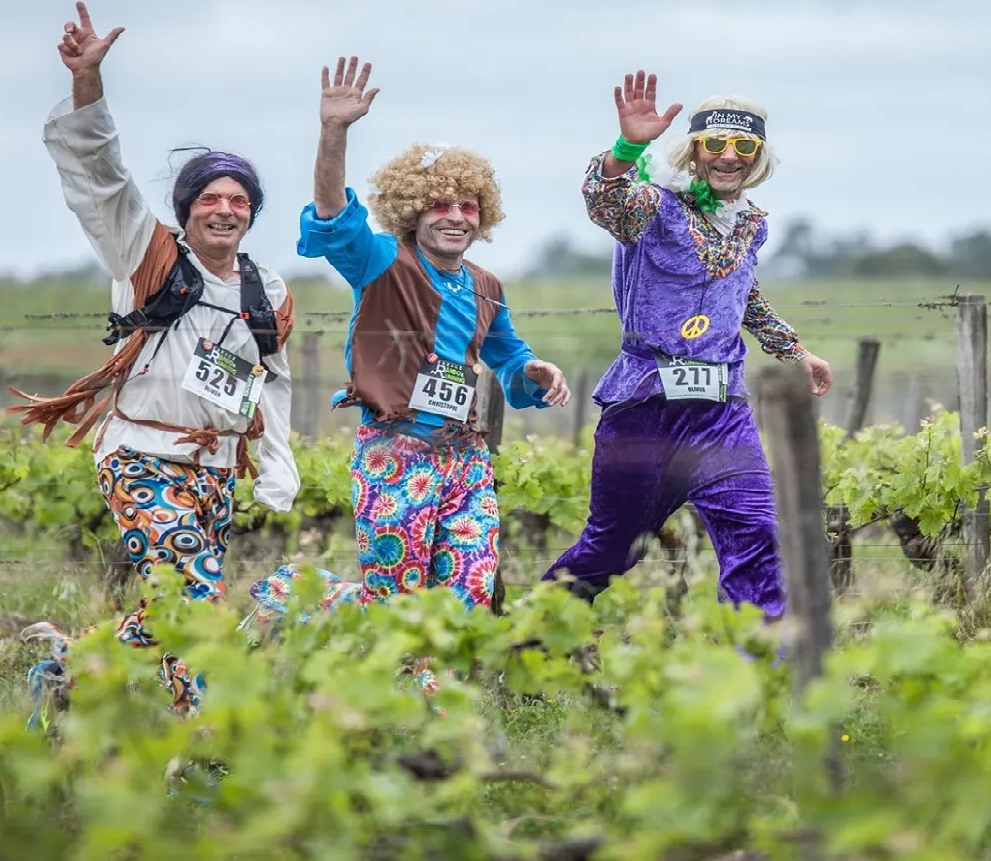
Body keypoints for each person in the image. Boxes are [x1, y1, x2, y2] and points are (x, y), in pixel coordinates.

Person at [9, 2, 300, 723]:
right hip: (138, 455)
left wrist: (275, 460)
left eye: (238, 200)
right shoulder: (151, 257)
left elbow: (270, 383)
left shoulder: (269, 290)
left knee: (174, 603)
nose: (224, 209)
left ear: (251, 213)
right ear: (187, 208)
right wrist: (87, 85)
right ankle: (198, 745)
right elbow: (104, 179)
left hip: (214, 468)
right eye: (210, 198)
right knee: (197, 600)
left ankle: (69, 668)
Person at [243, 56, 569, 696]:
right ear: (414, 211)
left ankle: (436, 722)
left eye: (469, 206)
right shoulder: (382, 261)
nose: (456, 215)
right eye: (440, 204)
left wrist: (532, 368)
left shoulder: (485, 286)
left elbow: (506, 354)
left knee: (468, 597)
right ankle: (291, 598)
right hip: (395, 451)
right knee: (396, 603)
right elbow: (334, 217)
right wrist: (333, 132)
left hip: (465, 460)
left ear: (484, 216)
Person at [541, 70, 831, 626]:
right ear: (694, 150)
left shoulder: (750, 225)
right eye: (714, 144)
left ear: (758, 157)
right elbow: (604, 200)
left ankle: (761, 666)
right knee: (612, 550)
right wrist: (628, 146)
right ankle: (530, 644)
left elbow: (742, 296)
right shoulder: (652, 208)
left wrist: (795, 352)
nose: (729, 155)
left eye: (743, 145)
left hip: (721, 413)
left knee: (759, 531)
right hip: (646, 408)